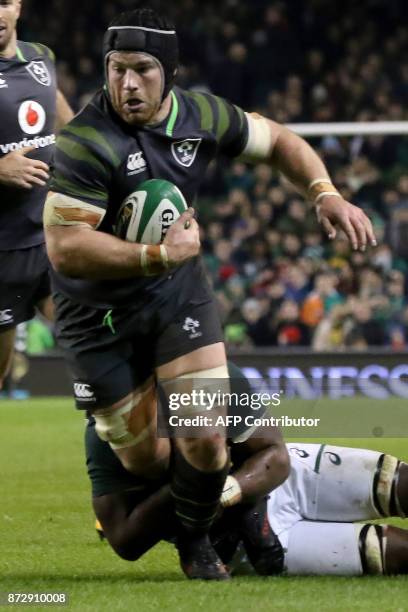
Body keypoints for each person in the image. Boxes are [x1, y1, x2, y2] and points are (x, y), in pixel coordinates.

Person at [44, 8, 374, 579]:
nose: (127, 84)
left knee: (201, 438)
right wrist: (158, 255)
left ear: (169, 72)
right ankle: (237, 506)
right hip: (95, 319)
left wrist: (324, 192)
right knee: (147, 459)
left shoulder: (201, 115)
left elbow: (279, 142)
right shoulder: (84, 142)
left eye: (142, 69)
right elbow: (65, 247)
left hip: (177, 298)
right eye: (116, 69)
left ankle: (196, 542)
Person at [88, 424, 408, 577]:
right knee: (392, 552)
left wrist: (225, 490)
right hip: (234, 543)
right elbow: (124, 540)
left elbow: (275, 455)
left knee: (398, 483)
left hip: (281, 477)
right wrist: (192, 486)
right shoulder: (106, 432)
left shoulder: (211, 372)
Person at [0, 0, 73, 392]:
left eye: (4, 3)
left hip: (49, 236)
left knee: (94, 344)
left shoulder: (41, 57)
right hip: (2, 251)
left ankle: (127, 449)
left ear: (19, 7)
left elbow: (62, 115)